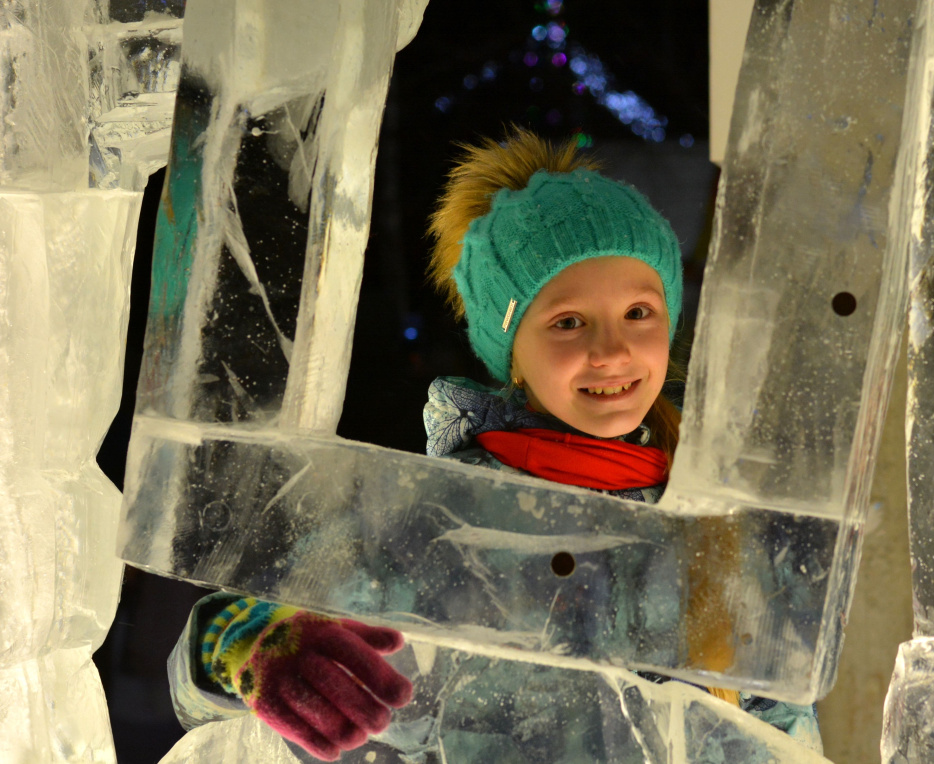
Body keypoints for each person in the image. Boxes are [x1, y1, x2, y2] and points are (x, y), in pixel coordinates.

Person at [167, 129, 821, 761]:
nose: (613, 350)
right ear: (512, 354)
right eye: (568, 322)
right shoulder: (426, 520)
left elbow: (787, 736)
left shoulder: (718, 537)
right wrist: (242, 644)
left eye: (638, 314)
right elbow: (205, 674)